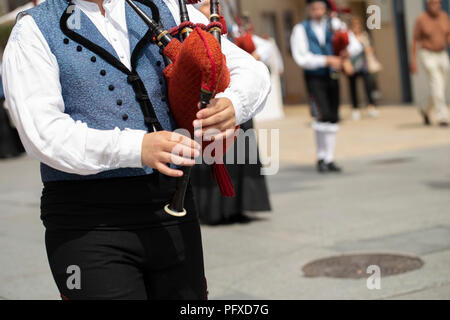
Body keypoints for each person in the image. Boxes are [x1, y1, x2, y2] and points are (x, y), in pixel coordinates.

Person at [2, 0, 270, 300]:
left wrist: (234, 103)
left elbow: (250, 70)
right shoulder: (34, 28)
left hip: (172, 208)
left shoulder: (166, 6)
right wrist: (136, 147)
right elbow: (41, 132)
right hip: (86, 221)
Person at [190, 1, 272, 225]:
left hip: (235, 98)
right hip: (208, 97)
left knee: (242, 149)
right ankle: (215, 209)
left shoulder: (230, 25)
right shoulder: (190, 25)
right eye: (204, 4)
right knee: (214, 151)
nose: (210, 8)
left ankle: (241, 204)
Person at [290, 0, 343, 173]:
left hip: (332, 76)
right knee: (322, 115)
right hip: (314, 77)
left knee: (333, 116)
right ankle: (322, 157)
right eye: (314, 9)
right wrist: (326, 60)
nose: (318, 12)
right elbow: (301, 58)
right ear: (308, 10)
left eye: (321, 8)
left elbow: (353, 45)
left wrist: (345, 56)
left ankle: (330, 157)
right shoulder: (301, 29)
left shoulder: (334, 25)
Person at [411, 0, 450, 127]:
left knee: (439, 87)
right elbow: (415, 41)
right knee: (436, 83)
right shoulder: (421, 19)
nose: (436, 5)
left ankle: (425, 109)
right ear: (428, 4)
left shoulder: (444, 16)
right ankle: (442, 117)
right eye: (433, 3)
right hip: (428, 54)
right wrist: (413, 60)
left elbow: (448, 35)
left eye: (438, 3)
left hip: (442, 54)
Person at [347, 16, 380, 121]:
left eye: (358, 24)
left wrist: (366, 48)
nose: (356, 27)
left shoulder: (364, 36)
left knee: (368, 86)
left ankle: (371, 107)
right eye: (354, 25)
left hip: (364, 65)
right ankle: (355, 109)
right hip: (352, 65)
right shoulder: (348, 36)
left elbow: (370, 48)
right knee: (353, 88)